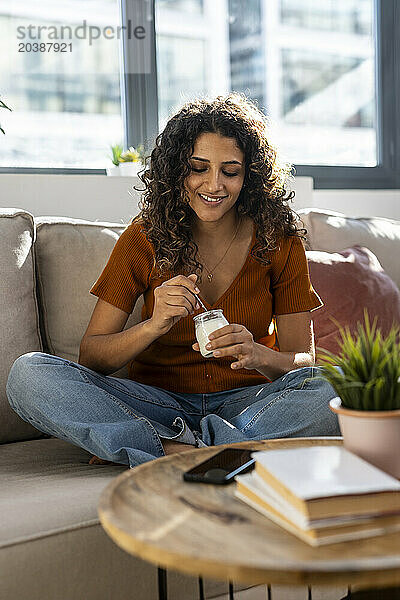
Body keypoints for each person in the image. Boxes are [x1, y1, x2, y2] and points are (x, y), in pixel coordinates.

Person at [6, 93, 340, 469]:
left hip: (249, 404)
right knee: (28, 374)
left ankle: (163, 449)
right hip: (155, 403)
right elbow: (93, 356)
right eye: (198, 168)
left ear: (250, 177)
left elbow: (303, 361)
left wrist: (259, 355)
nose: (214, 185)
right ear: (176, 169)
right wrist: (154, 325)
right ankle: (221, 452)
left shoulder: (277, 241)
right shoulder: (143, 238)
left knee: (337, 384)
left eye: (230, 171)